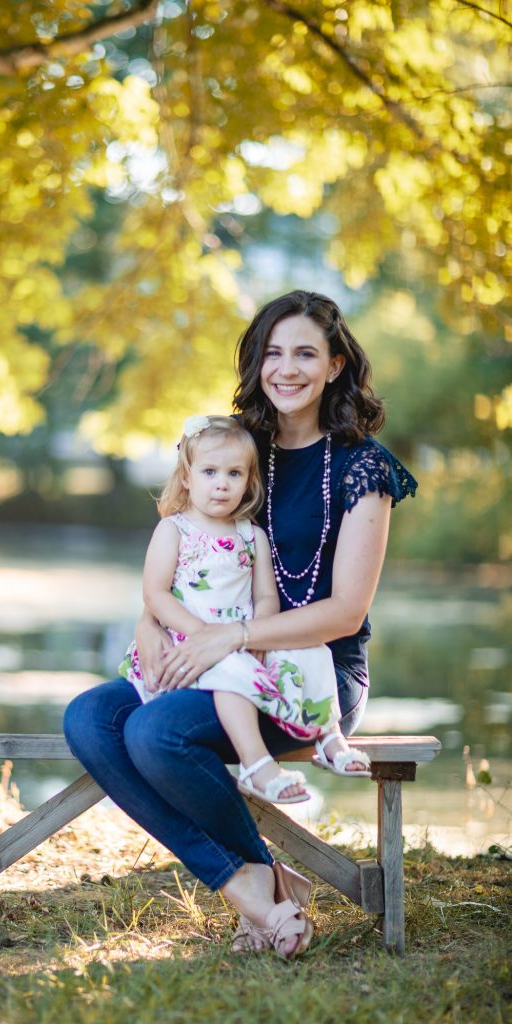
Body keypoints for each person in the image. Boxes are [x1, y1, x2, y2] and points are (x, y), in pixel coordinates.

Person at [64, 290, 417, 959]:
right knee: (89, 718)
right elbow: (172, 555)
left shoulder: (361, 466)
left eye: (305, 353)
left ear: (335, 365)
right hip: (207, 656)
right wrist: (150, 626)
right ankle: (254, 880)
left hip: (312, 672)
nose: (286, 368)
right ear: (256, 363)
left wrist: (231, 637)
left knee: (157, 734)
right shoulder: (231, 447)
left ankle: (251, 882)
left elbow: (344, 610)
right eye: (271, 352)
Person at [119, 413, 371, 807]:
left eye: (235, 473)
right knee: (230, 675)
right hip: (191, 640)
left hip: (239, 636)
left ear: (249, 481)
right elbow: (155, 594)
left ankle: (329, 737)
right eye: (209, 471)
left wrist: (258, 631)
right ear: (186, 476)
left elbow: (266, 597)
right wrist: (203, 635)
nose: (222, 483)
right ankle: (256, 764)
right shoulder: (173, 530)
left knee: (314, 653)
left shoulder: (251, 535)